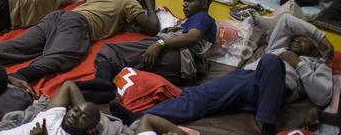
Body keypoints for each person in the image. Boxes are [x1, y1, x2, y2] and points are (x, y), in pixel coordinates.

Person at [110, 13, 334, 135]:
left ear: (315, 48)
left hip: (274, 91)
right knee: (196, 96)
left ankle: (267, 125)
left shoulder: (316, 64)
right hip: (243, 81)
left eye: (303, 39)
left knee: (271, 61)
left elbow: (323, 95)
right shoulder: (279, 45)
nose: (296, 39)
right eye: (295, 38)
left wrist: (299, 65)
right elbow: (286, 21)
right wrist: (318, 34)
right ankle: (140, 116)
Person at [0, 0, 161, 83]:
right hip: (76, 24)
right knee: (63, 55)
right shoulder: (130, 3)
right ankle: (18, 78)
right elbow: (152, 28)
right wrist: (149, 6)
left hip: (58, 17)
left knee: (24, 44)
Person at [77, 0, 216, 98]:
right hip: (179, 71)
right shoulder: (193, 21)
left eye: (190, 1)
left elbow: (192, 37)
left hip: (176, 56)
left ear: (204, 4)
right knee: (127, 69)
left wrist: (159, 44)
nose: (184, 4)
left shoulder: (202, 17)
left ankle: (100, 83)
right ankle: (104, 92)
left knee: (111, 51)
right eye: (184, 0)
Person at [0, 81, 102, 135]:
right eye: (75, 110)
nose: (75, 115)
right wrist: (87, 113)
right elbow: (69, 85)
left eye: (83, 118)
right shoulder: (56, 114)